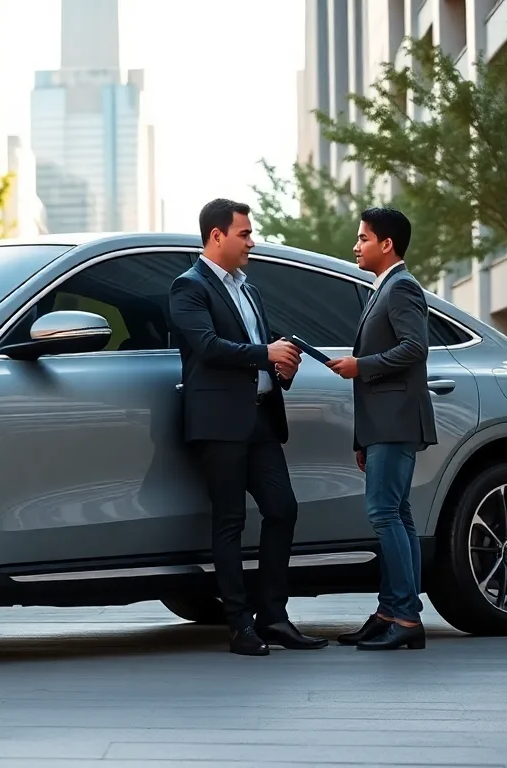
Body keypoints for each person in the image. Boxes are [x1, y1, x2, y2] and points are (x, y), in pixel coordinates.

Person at [168, 198, 327, 656]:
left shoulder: (248, 289)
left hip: (260, 417)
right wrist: (265, 355)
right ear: (216, 236)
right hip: (218, 422)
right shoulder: (188, 287)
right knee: (230, 521)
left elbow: (258, 347)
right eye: (244, 234)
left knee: (283, 509)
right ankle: (240, 625)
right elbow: (207, 346)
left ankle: (273, 617)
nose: (251, 242)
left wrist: (280, 370)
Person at [326, 206, 438, 651]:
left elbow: (415, 349)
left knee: (384, 513)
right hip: (381, 425)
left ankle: (406, 618)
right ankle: (391, 610)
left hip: (395, 422)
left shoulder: (402, 288)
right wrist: (362, 439)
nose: (356, 246)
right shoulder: (383, 288)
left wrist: (360, 366)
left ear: (386, 244)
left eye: (363, 238)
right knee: (398, 514)